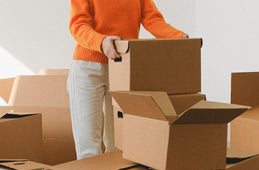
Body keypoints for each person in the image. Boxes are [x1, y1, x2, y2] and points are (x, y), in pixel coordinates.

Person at [67, 0, 189, 160]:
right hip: (88, 67)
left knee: (118, 144)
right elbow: (78, 25)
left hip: (122, 68)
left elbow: (152, 19)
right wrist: (101, 41)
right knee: (88, 146)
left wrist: (178, 36)